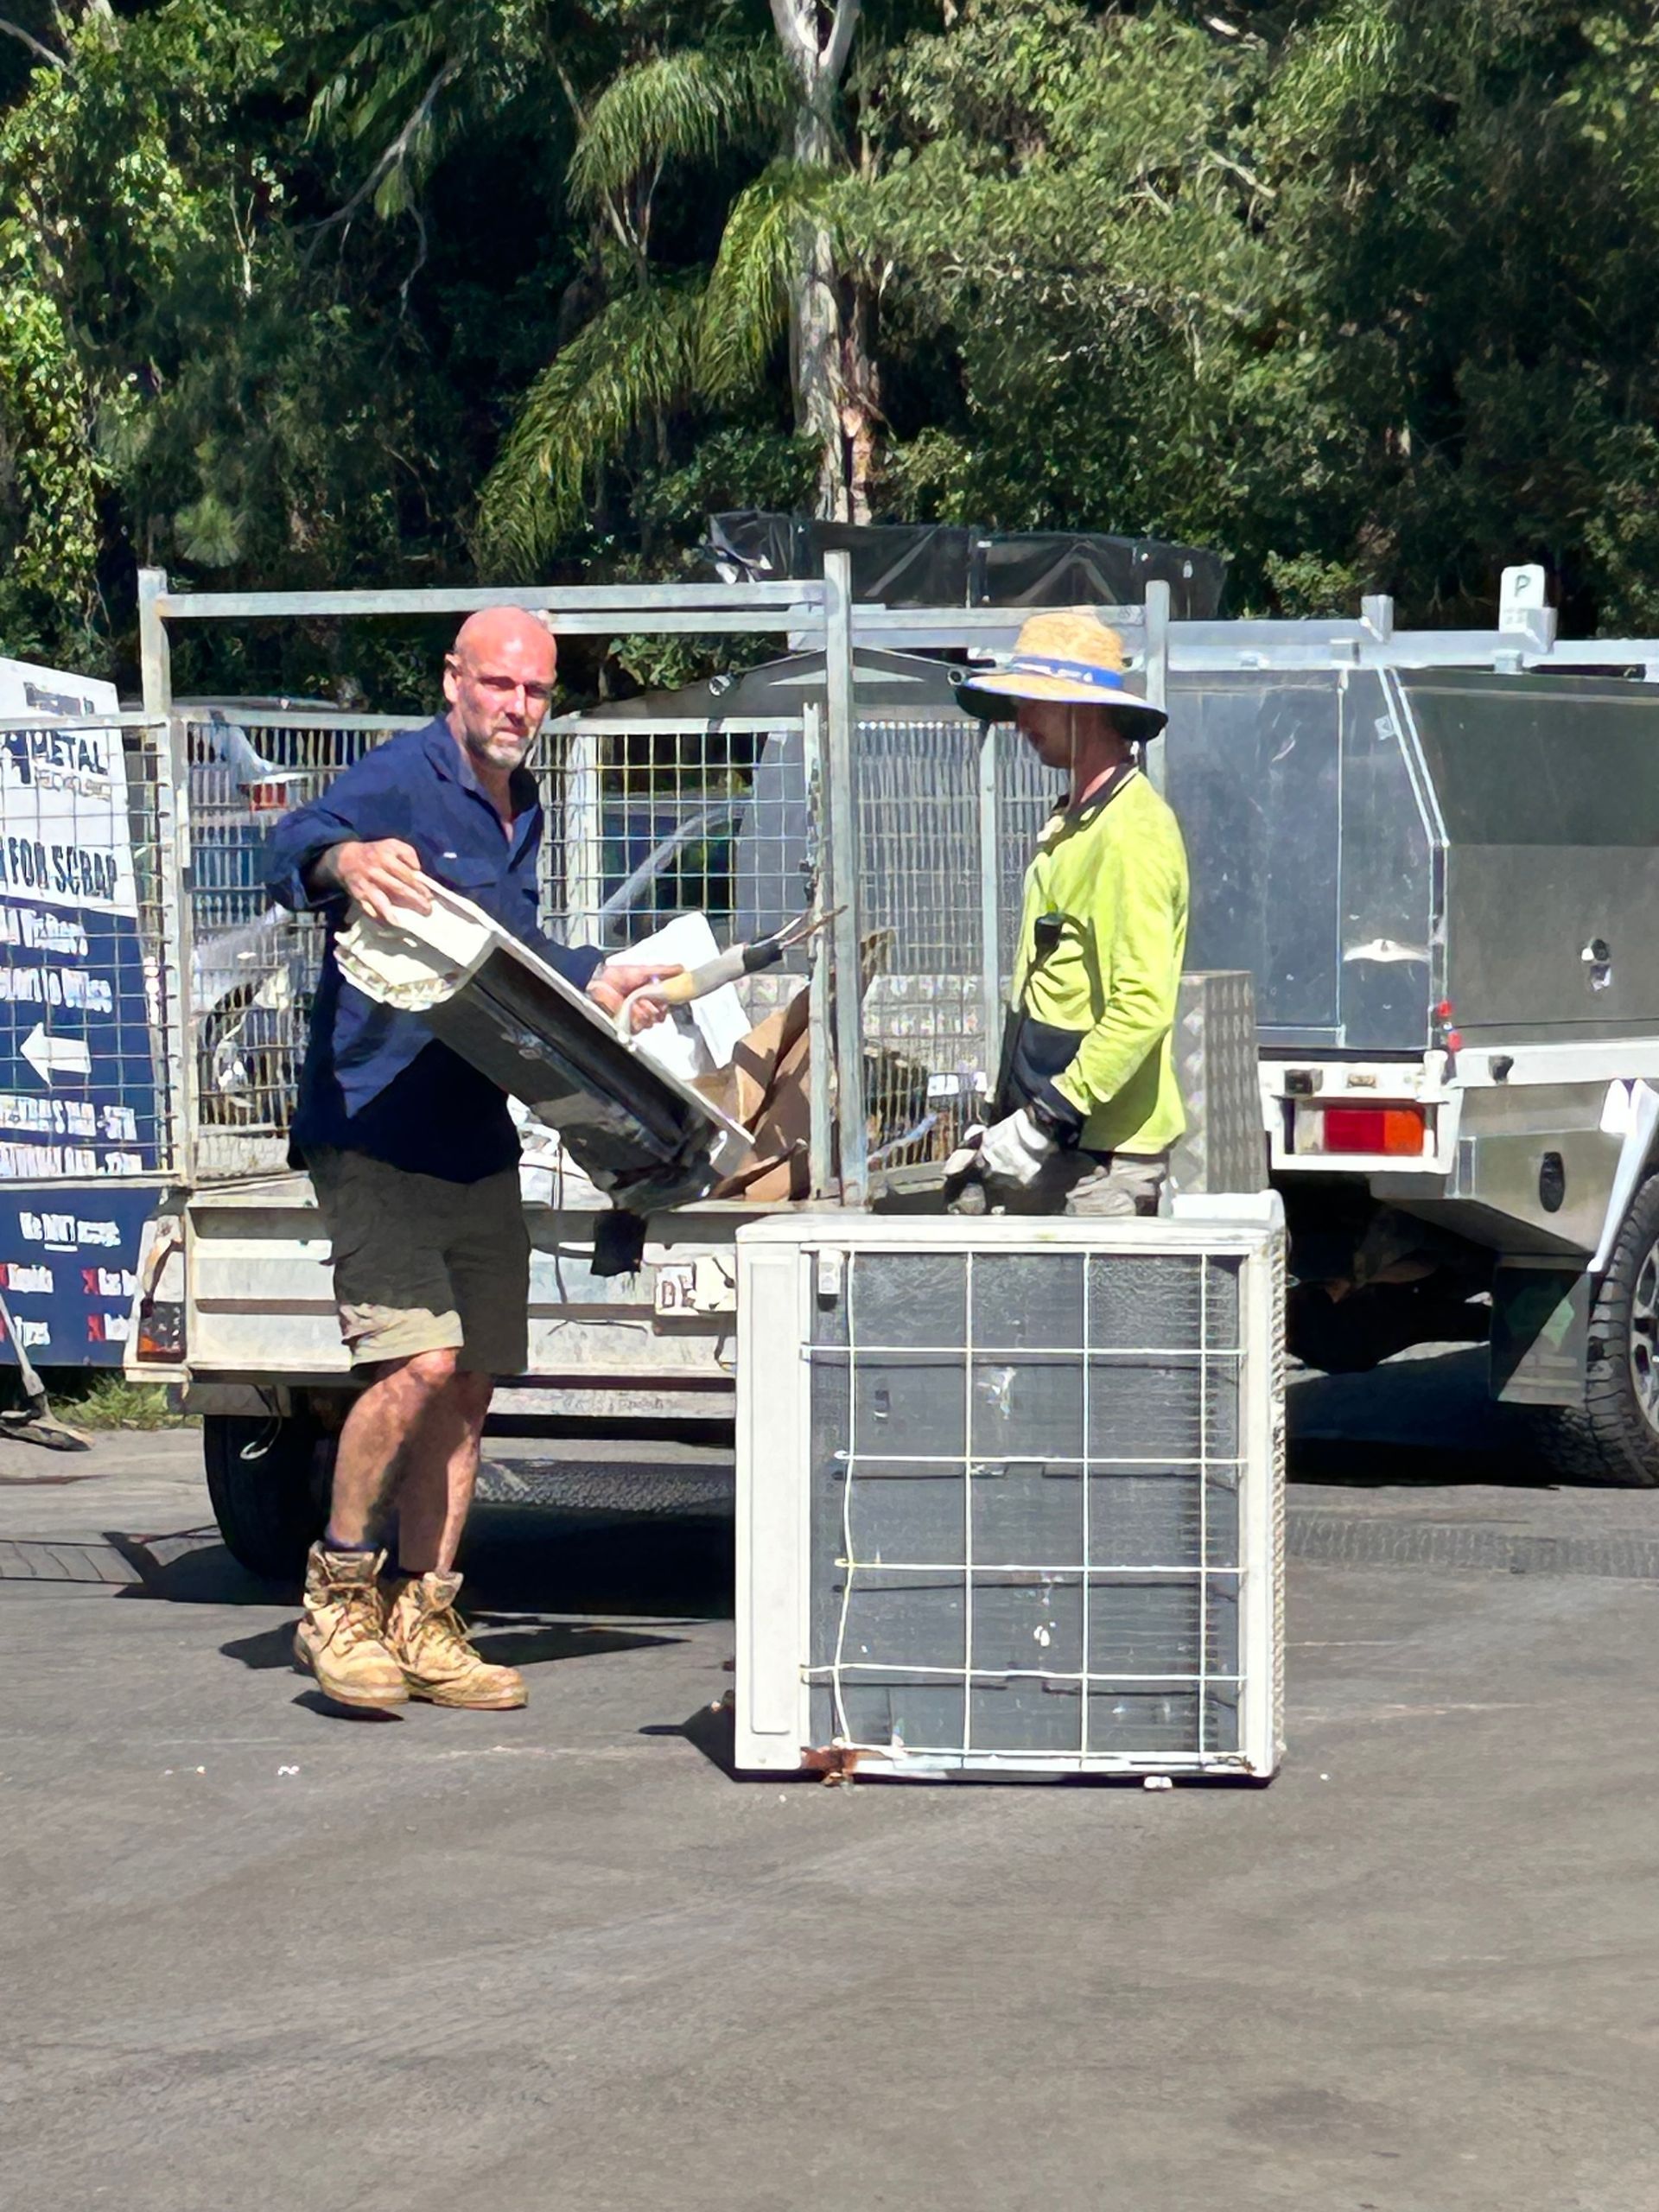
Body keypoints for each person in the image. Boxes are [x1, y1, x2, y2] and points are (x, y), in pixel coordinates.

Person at [264, 607, 675, 1713]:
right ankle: (337, 1600)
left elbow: (512, 948)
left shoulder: (520, 808)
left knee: (473, 1383)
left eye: (537, 692)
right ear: (454, 680)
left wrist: (595, 975)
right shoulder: (403, 776)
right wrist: (343, 857)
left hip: (473, 1139)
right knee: (416, 1367)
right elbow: (280, 848)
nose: (518, 709)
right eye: (500, 684)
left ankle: (427, 1612)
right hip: (375, 1127)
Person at [950, 608, 1188, 1216]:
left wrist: (1046, 1119)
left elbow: (1141, 1007)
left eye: (1035, 703)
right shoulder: (1077, 819)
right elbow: (1056, 986)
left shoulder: (1131, 834)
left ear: (1084, 710)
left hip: (1102, 1160)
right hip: (1069, 1144)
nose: (1021, 721)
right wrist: (1008, 1120)